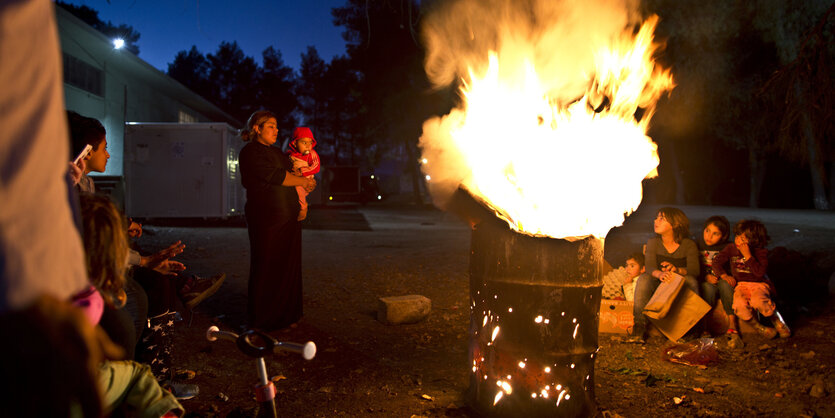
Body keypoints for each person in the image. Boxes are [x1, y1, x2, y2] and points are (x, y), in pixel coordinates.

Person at [239, 110, 316, 331]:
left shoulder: (278, 153)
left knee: (288, 266)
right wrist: (299, 180)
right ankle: (262, 320)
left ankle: (286, 314)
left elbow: (295, 172)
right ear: (257, 128)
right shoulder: (251, 152)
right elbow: (277, 176)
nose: (276, 130)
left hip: (289, 218)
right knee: (266, 264)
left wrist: (305, 191)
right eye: (271, 126)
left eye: (276, 126)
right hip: (266, 219)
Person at [712, 219, 790, 349]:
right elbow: (716, 262)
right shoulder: (731, 248)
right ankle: (759, 327)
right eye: (737, 236)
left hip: (759, 284)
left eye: (743, 239)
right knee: (739, 305)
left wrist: (748, 256)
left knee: (758, 301)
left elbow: (759, 273)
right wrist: (724, 275)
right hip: (741, 285)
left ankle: (777, 320)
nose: (738, 241)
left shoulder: (760, 252)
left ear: (753, 240)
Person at [628, 207, 700, 343]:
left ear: (676, 224)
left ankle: (690, 330)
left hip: (678, 282)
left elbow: (694, 270)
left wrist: (677, 270)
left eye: (662, 219)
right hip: (659, 280)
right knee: (643, 279)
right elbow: (649, 267)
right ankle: (639, 329)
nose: (656, 221)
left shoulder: (688, 245)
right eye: (656, 217)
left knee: (691, 280)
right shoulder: (653, 243)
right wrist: (660, 274)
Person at [697, 215, 734, 336]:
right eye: (707, 231)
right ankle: (705, 327)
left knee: (726, 285)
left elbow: (732, 267)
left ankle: (732, 325)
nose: (709, 236)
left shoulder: (728, 247)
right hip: (707, 281)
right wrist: (705, 277)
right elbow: (695, 267)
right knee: (707, 289)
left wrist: (724, 276)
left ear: (723, 236)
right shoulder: (697, 245)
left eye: (715, 234)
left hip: (722, 280)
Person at [287, 127, 321, 221]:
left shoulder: (311, 154)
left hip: (306, 178)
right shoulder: (290, 155)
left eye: (310, 142)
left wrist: (302, 171)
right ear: (295, 143)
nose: (308, 146)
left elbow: (316, 166)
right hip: (294, 180)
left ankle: (303, 208)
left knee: (298, 188)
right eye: (304, 142)